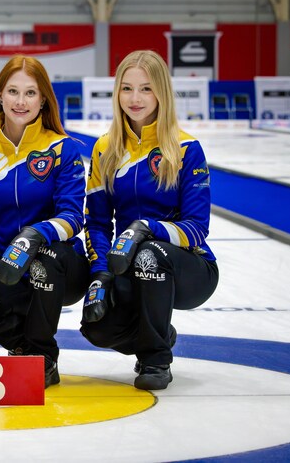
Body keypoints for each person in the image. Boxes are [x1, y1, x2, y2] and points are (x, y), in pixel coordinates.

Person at [80, 50, 219, 390]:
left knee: (149, 253)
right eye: (126, 88)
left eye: (146, 88)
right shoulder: (105, 149)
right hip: (125, 262)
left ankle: (156, 359)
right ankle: (158, 334)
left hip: (190, 268)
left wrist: (146, 229)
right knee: (96, 325)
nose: (135, 98)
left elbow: (197, 229)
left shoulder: (186, 148)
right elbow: (97, 223)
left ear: (161, 92)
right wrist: (100, 272)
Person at [0, 55, 90, 388]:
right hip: (7, 269)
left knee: (43, 259)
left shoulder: (63, 149)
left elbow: (74, 216)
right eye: (12, 91)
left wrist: (34, 235)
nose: (20, 101)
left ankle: (43, 357)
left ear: (44, 99)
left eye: (30, 93)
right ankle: (25, 347)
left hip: (62, 266)